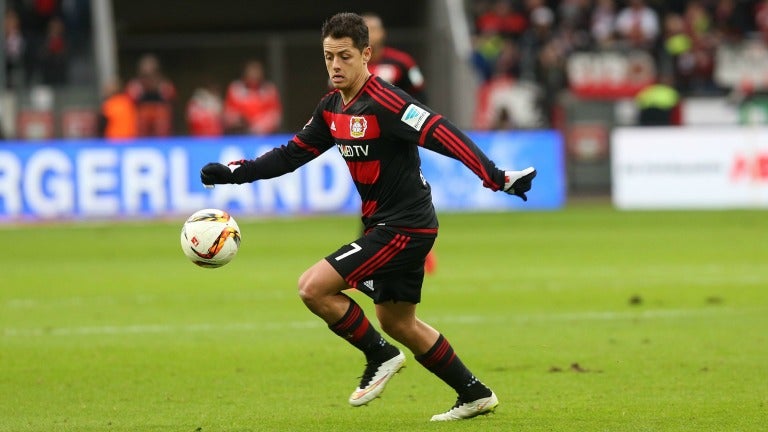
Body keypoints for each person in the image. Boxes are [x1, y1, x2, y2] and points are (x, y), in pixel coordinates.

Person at [200, 12, 536, 422]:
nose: (335, 66)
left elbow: (441, 131)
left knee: (313, 288)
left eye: (344, 56)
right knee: (398, 321)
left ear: (366, 55)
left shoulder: (387, 102)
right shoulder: (331, 109)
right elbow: (290, 155)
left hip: (406, 227)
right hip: (389, 226)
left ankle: (380, 355)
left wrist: (495, 176)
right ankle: (474, 392)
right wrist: (236, 173)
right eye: (328, 57)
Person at [362, 13, 426, 103]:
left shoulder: (404, 61)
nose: (368, 35)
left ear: (382, 33)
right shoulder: (350, 63)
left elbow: (418, 90)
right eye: (364, 31)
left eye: (372, 29)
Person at [223, 60, 282, 135]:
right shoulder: (235, 88)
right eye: (251, 71)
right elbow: (228, 113)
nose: (254, 75)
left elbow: (275, 115)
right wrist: (240, 120)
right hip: (239, 134)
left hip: (265, 136)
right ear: (245, 73)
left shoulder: (269, 89)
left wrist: (259, 125)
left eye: (257, 71)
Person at [126, 54, 176, 136]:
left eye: (151, 74)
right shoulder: (135, 86)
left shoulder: (164, 85)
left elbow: (171, 100)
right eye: (145, 75)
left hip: (159, 116)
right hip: (141, 116)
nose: (148, 78)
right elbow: (128, 103)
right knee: (142, 116)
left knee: (162, 115)